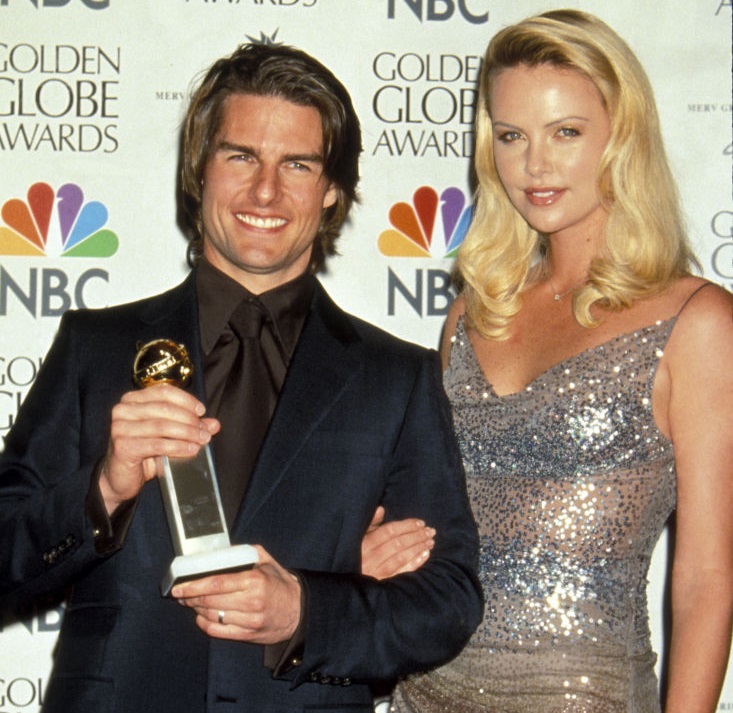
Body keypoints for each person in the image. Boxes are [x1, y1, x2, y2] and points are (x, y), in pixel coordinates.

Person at [0, 43, 483, 713]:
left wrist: (307, 608)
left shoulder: (395, 378)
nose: (265, 191)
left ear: (333, 188)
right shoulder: (95, 349)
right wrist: (103, 488)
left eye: (297, 164)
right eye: (240, 156)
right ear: (199, 172)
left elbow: (448, 599)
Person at [362, 9, 733, 712]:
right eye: (511, 136)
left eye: (565, 132)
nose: (534, 164)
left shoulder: (696, 323)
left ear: (620, 138)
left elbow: (705, 575)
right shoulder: (472, 313)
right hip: (426, 694)